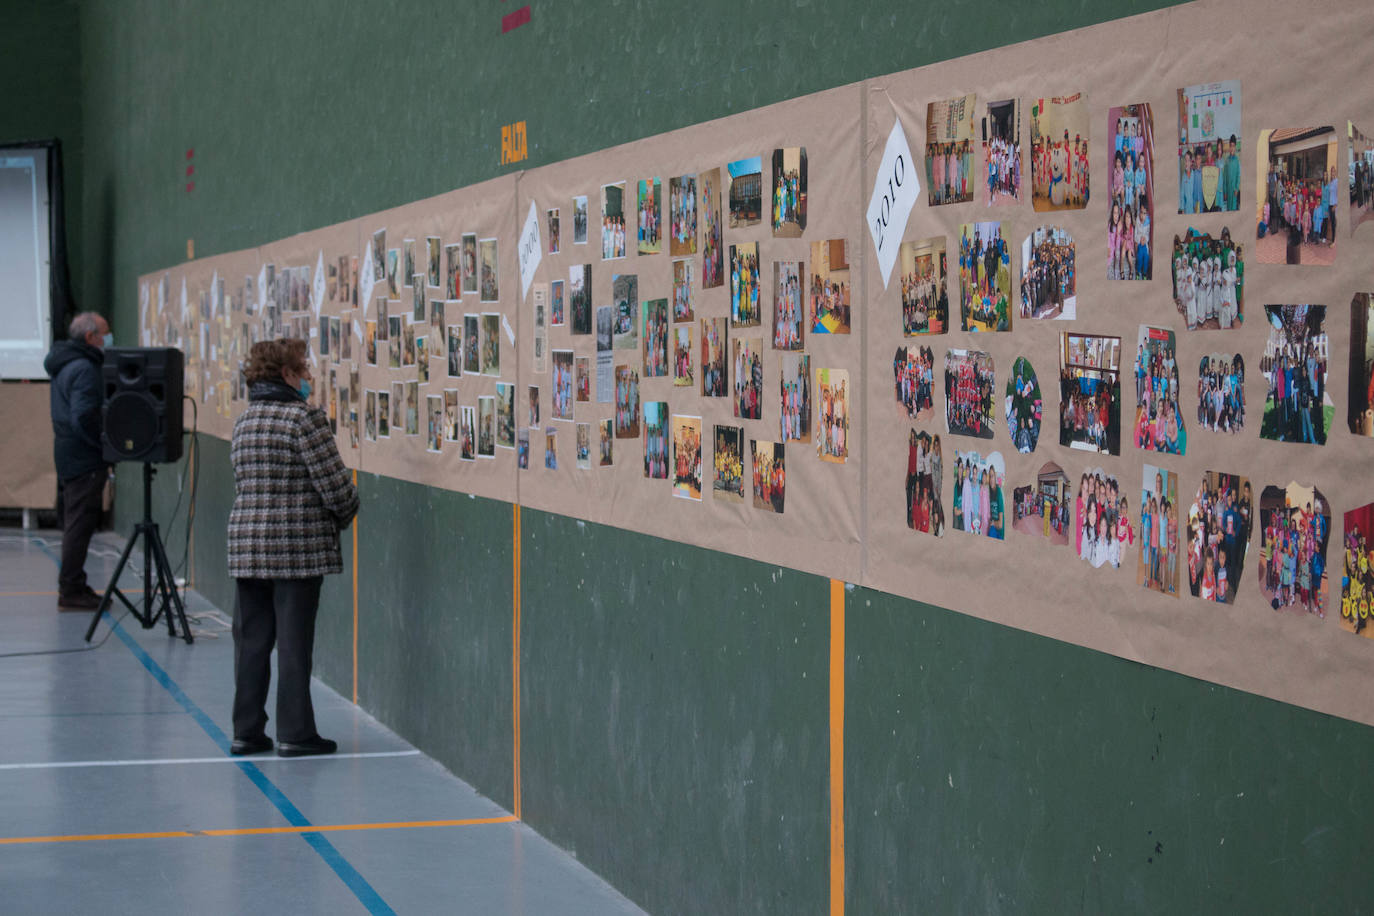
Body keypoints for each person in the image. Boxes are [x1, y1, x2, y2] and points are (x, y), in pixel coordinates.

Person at [227, 338, 359, 757]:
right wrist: (343, 514)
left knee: (251, 643)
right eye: (303, 369)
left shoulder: (245, 421)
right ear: (286, 374)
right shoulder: (304, 419)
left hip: (247, 547)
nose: (308, 377)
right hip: (296, 550)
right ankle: (295, 733)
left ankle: (247, 731)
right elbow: (336, 487)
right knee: (294, 644)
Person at [44, 312, 113, 610]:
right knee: (79, 524)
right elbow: (83, 416)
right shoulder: (84, 368)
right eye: (105, 334)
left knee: (77, 522)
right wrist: (102, 445)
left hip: (68, 452)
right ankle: (71, 589)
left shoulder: (65, 362)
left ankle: (73, 584)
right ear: (90, 337)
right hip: (83, 457)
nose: (108, 340)